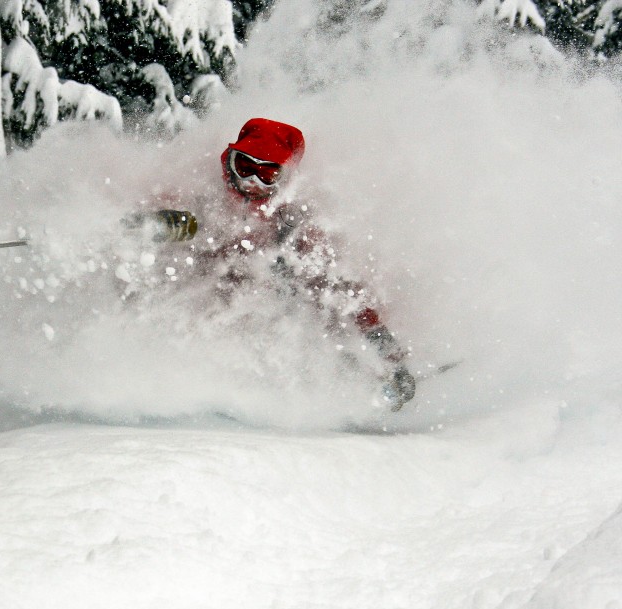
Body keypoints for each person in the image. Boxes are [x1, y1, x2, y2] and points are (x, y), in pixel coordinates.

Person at [133, 117, 416, 411]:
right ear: (229, 160)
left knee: (314, 297)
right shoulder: (202, 191)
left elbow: (343, 292)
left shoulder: (294, 223)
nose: (251, 183)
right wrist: (149, 224)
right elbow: (154, 220)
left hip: (273, 318)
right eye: (244, 168)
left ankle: (350, 378)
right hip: (200, 315)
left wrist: (387, 350)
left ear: (284, 178)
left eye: (267, 174)